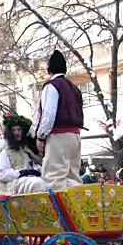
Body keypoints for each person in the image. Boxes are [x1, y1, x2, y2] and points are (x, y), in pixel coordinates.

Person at [33, 50, 84, 190]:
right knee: (73, 176)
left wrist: (40, 137)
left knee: (53, 177)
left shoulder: (51, 86)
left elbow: (48, 115)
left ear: (49, 70)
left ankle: (57, 211)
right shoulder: (74, 89)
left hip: (58, 136)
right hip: (75, 136)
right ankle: (76, 208)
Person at [0, 113, 48, 195]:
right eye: (13, 130)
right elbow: (2, 174)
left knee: (52, 181)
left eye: (19, 130)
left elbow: (31, 165)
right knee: (37, 183)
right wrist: (21, 173)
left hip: (29, 178)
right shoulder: (5, 149)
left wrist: (36, 170)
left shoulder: (25, 149)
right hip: (14, 182)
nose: (16, 133)